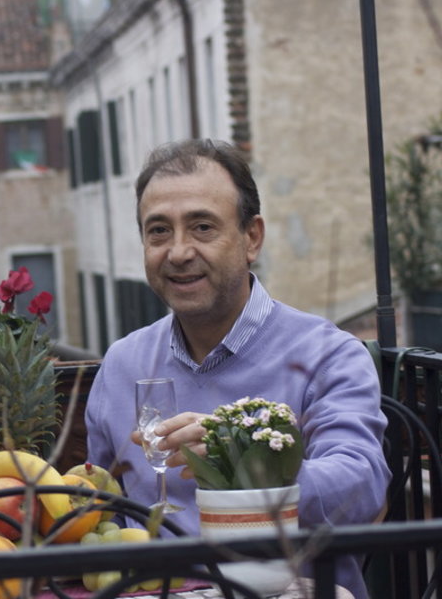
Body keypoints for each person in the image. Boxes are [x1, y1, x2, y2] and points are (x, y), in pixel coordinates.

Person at [85, 138, 389, 599]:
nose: (178, 252)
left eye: (203, 227)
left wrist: (244, 459)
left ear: (252, 238)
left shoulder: (328, 354)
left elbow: (361, 493)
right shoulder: (123, 363)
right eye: (159, 231)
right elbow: (98, 513)